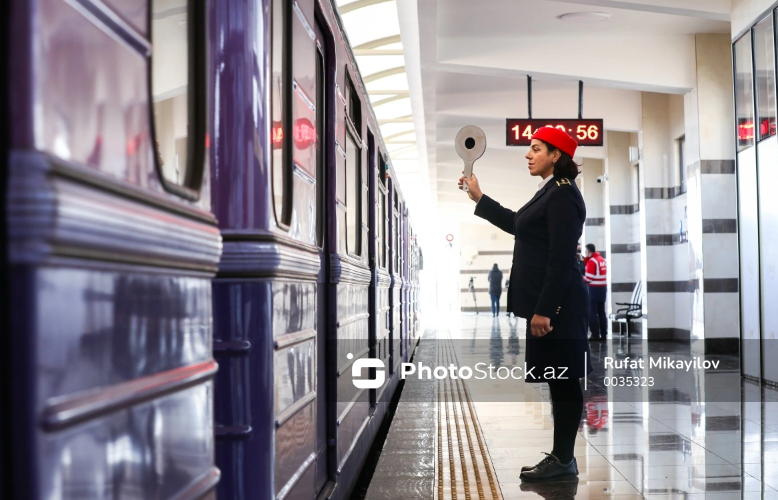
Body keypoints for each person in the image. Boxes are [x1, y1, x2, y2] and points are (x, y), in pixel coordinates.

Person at [458, 126, 592, 482]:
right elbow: (519, 223)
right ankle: (562, 456)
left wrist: (546, 309)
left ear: (556, 156)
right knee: (557, 378)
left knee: (564, 380)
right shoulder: (549, 192)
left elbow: (561, 259)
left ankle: (564, 459)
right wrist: (479, 198)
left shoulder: (563, 196)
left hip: (559, 307)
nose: (528, 154)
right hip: (551, 305)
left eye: (536, 148)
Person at [583, 244, 608, 341]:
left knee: (592, 312)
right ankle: (604, 334)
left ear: (588, 251)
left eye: (586, 252)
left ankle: (595, 334)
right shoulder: (602, 259)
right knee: (602, 312)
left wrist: (581, 278)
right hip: (603, 288)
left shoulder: (592, 261)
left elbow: (588, 278)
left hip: (594, 289)